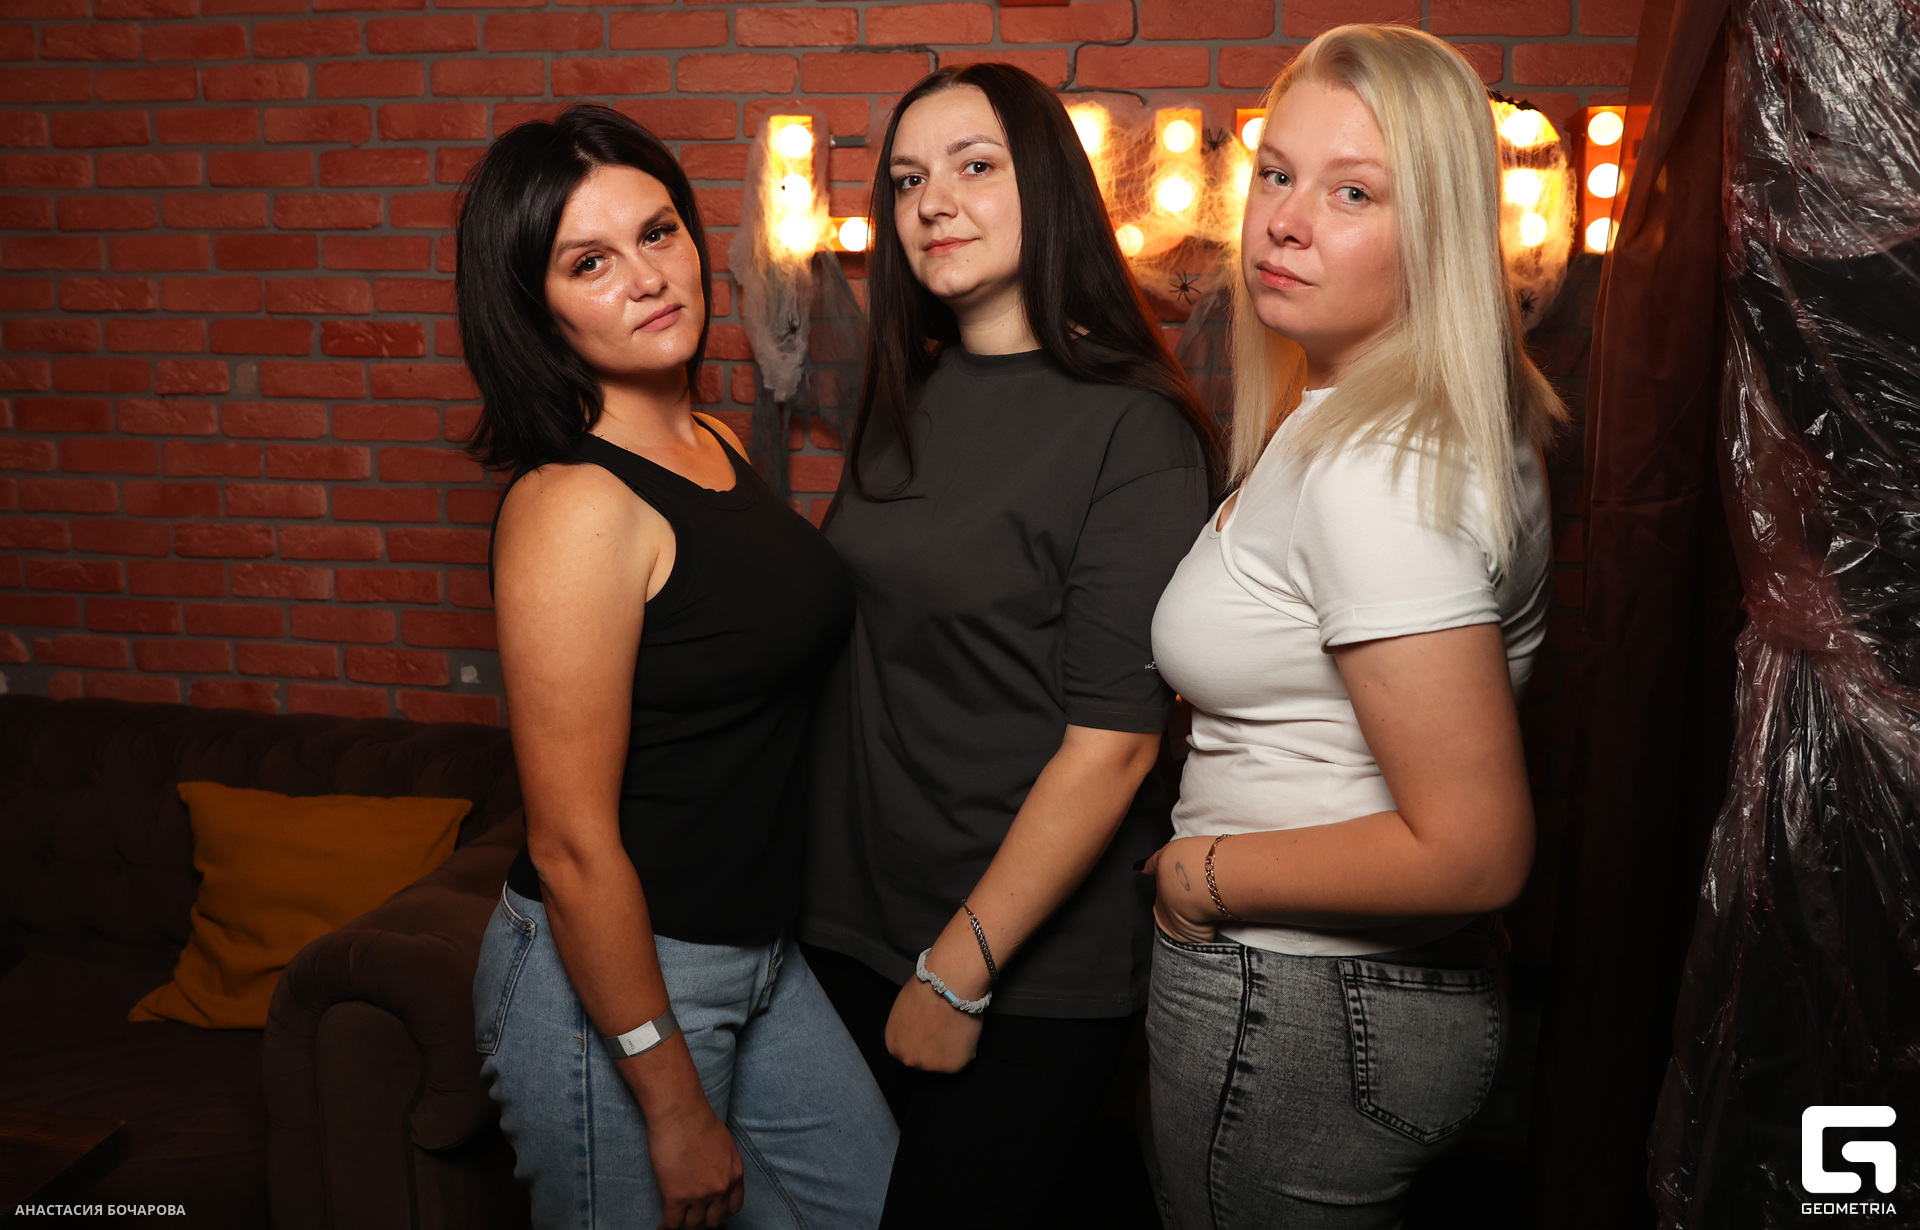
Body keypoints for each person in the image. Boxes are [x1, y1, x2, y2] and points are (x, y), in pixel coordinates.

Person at [1144, 26, 1564, 1230]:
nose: (1284, 221)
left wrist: (1198, 876)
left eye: (1354, 193)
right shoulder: (1386, 414)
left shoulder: (1376, 467)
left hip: (1297, 1003)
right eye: (1276, 174)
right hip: (1344, 1004)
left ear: (1437, 229)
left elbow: (1476, 851)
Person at [460, 104, 896, 1230]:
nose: (649, 277)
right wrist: (669, 1100)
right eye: (590, 262)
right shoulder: (573, 505)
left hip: (758, 953)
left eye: (657, 233)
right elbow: (568, 844)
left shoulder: (715, 444)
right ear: (536, 309)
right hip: (618, 985)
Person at [798, 63, 1215, 1228]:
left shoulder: (1134, 427)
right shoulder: (908, 391)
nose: (933, 201)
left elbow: (1115, 744)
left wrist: (959, 971)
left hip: (1013, 963)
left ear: (1048, 187)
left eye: (974, 166)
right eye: (906, 180)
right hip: (848, 925)